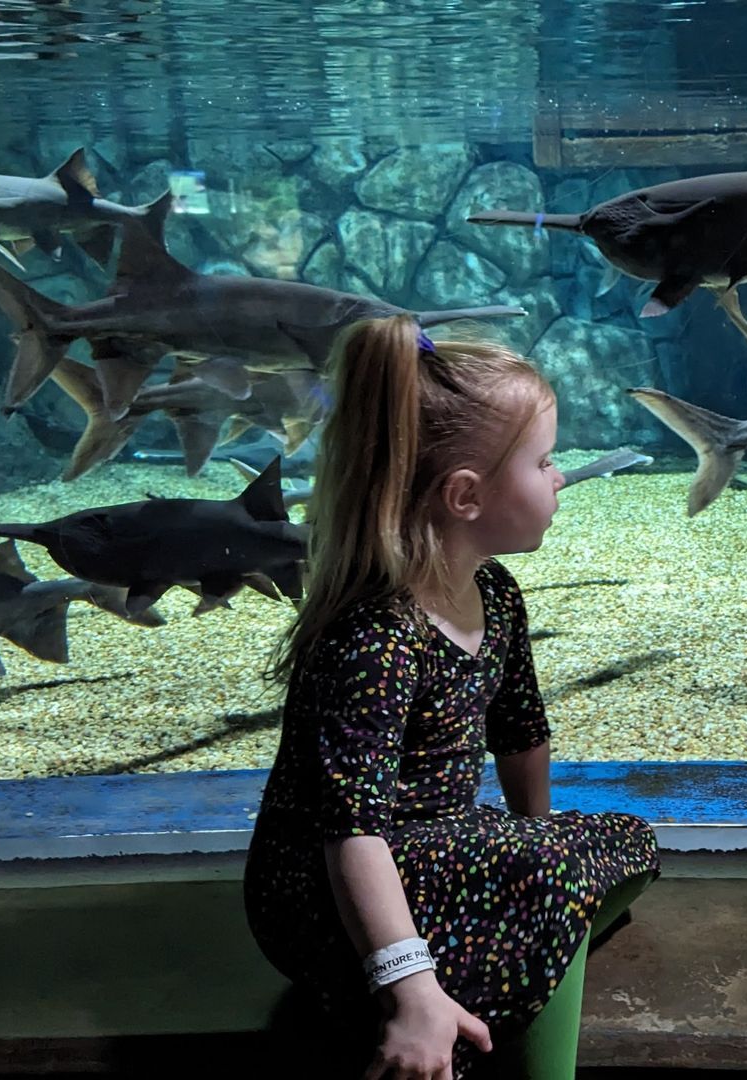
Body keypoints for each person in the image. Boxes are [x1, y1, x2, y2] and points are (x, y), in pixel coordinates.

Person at [245, 315, 659, 1080]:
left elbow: (520, 730)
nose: (560, 476)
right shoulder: (379, 636)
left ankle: (467, 976)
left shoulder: (495, 593)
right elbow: (351, 833)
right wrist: (408, 986)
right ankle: (425, 1021)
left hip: (435, 852)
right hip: (324, 892)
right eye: (544, 461)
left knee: (618, 842)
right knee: (559, 876)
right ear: (466, 495)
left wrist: (534, 839)